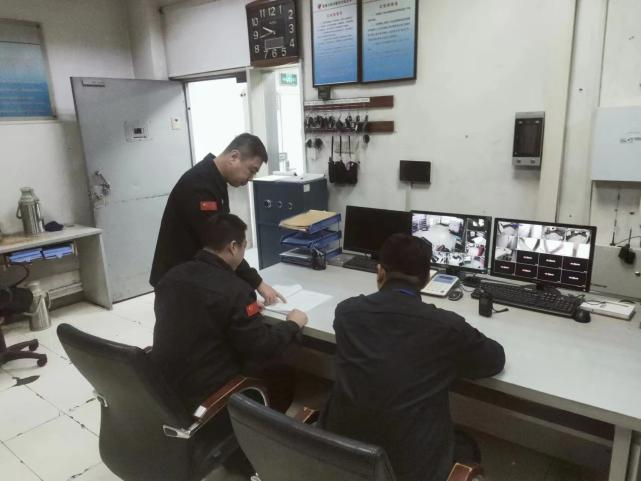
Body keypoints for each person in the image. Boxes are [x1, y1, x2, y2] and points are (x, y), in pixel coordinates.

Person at [321, 234, 505, 481]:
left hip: (341, 455)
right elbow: (495, 360)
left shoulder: (346, 312)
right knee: (467, 446)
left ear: (380, 272)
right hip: (410, 470)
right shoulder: (446, 327)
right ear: (427, 279)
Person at [150, 213, 307, 412]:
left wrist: (243, 310)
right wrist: (292, 323)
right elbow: (262, 347)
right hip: (209, 395)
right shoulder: (236, 290)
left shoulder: (171, 277)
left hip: (164, 387)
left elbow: (196, 313)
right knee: (281, 370)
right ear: (233, 247)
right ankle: (262, 421)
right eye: (243, 246)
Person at [150, 133, 283, 305]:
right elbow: (221, 245)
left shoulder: (214, 179)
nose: (251, 179)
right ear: (234, 156)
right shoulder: (200, 186)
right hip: (177, 281)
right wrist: (256, 284)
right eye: (251, 170)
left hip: (190, 276)